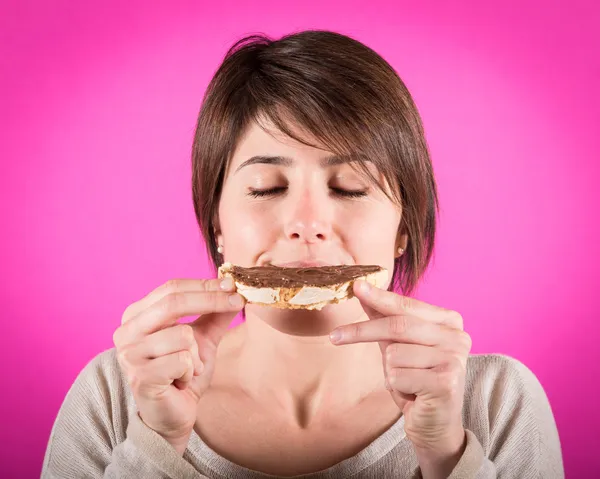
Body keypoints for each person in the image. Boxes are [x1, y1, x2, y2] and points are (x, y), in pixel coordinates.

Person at [41, 30, 564, 478]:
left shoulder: (494, 401)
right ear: (217, 223)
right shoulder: (120, 393)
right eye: (267, 187)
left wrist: (448, 455)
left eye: (351, 187)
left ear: (403, 228)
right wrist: (154, 443)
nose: (306, 225)